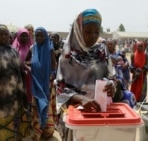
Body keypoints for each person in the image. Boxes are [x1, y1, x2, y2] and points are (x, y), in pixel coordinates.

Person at [55, 9, 116, 141]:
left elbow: (111, 76)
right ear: (78, 30)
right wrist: (82, 99)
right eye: (88, 31)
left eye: (96, 31)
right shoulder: (67, 55)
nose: (93, 36)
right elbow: (60, 88)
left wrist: (112, 85)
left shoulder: (102, 50)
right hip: (76, 113)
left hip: (100, 112)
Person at [24, 27, 57, 141]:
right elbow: (25, 61)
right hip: (36, 84)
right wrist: (31, 66)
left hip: (47, 84)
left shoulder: (49, 49)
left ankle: (47, 132)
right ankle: (37, 132)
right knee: (36, 108)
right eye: (37, 36)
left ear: (45, 36)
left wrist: (50, 76)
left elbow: (54, 66)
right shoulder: (32, 48)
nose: (39, 38)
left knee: (47, 108)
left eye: (41, 35)